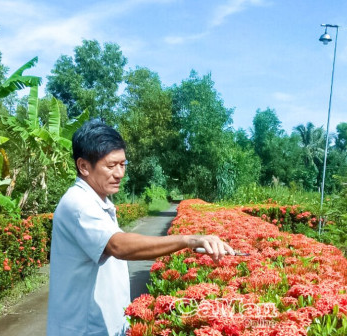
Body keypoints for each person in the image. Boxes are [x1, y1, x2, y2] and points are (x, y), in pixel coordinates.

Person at [46, 120, 234, 335]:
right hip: (84, 328)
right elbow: (118, 245)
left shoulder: (99, 201)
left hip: (103, 325)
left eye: (123, 164)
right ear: (83, 166)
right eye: (110, 166)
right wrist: (188, 240)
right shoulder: (79, 204)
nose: (119, 173)